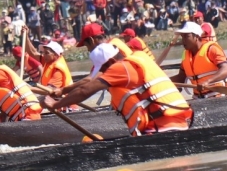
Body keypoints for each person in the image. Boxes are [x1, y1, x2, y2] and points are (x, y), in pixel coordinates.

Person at [42, 44, 192, 136]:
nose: (105, 73)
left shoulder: (120, 68)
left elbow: (85, 91)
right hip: (179, 121)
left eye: (104, 69)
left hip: (163, 128)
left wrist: (56, 104)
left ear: (111, 62)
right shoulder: (139, 56)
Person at [170, 22, 227, 97]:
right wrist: (164, 80)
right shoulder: (186, 55)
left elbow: (226, 70)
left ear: (196, 36)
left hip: (218, 95)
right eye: (182, 37)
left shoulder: (212, 49)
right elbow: (181, 77)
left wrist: (207, 82)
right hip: (199, 98)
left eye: (186, 36)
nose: (183, 40)